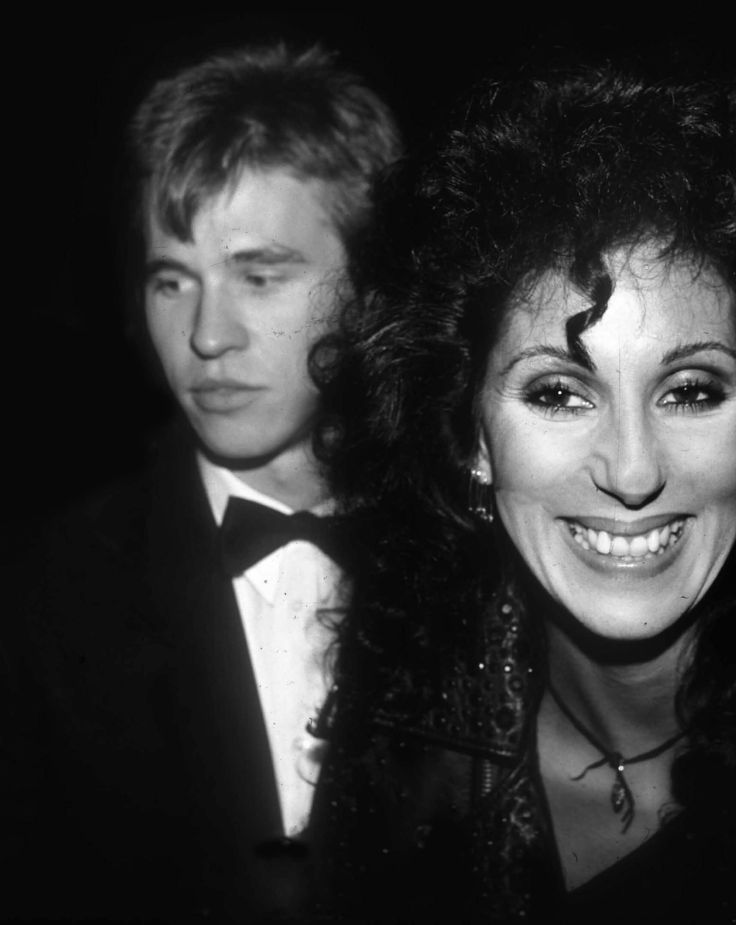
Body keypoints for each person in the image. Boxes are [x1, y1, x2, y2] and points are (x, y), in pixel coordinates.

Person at [309, 60, 736, 921]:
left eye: (690, 390)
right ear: (469, 438)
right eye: (558, 394)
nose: (634, 469)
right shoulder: (408, 711)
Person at [2, 42, 400, 922]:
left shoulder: (474, 557)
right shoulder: (43, 592)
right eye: (172, 279)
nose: (207, 334)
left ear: (371, 290)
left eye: (260, 276)